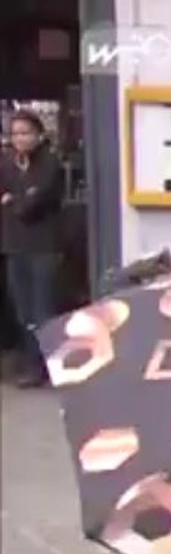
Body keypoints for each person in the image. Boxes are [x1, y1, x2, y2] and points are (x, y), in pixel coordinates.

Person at [0, 109, 64, 388]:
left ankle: (47, 367)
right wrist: (20, 198)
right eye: (15, 134)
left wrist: (14, 200)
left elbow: (32, 206)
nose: (20, 139)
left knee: (43, 310)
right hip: (15, 246)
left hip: (44, 247)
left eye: (25, 132)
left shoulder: (50, 164)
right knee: (23, 310)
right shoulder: (6, 165)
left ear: (39, 135)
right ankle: (30, 363)